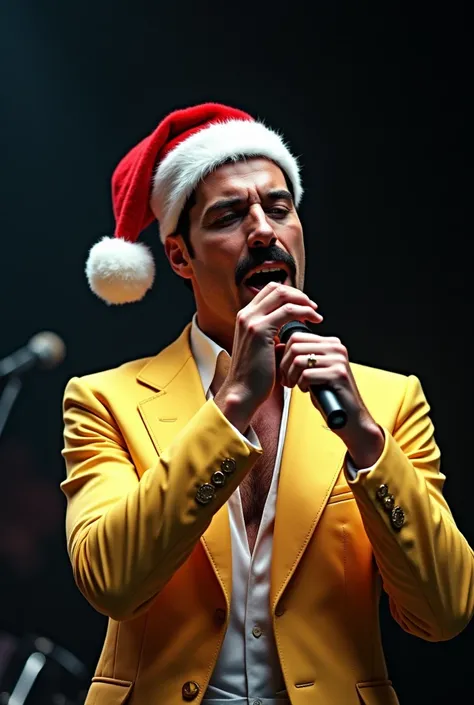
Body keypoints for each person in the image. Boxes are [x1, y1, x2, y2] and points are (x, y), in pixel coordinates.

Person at [61, 102, 474, 705]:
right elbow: (112, 583)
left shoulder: (389, 400)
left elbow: (446, 611)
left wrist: (364, 438)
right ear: (179, 256)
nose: (263, 230)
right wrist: (231, 408)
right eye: (230, 215)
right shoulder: (105, 398)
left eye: (279, 208)